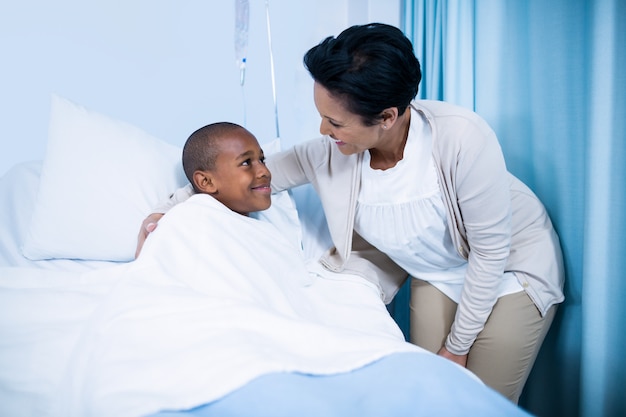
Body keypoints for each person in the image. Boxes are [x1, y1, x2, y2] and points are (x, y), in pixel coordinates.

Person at [136, 23, 564, 404]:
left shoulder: (461, 139)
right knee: (430, 400)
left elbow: (490, 253)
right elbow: (257, 176)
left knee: (477, 401)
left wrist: (457, 346)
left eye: (335, 122)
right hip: (438, 273)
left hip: (508, 267)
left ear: (386, 117)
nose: (324, 131)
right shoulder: (334, 154)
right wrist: (166, 210)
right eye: (323, 117)